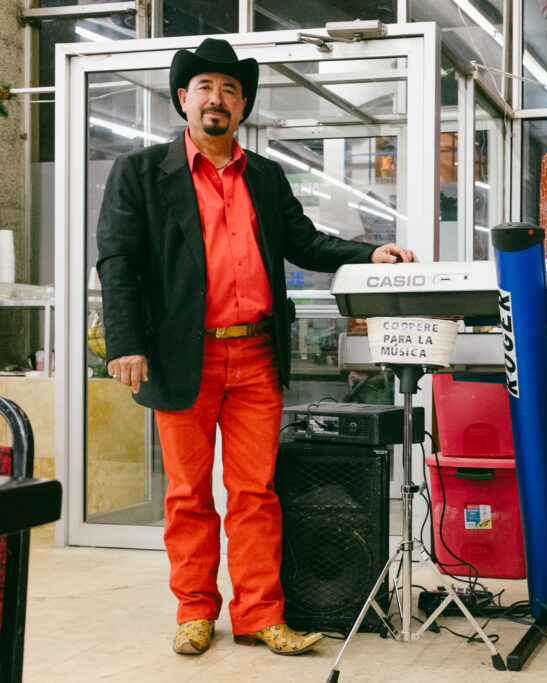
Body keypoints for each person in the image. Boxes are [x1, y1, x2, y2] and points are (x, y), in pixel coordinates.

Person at [96, 37, 416, 656]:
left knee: (255, 492)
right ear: (183, 99)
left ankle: (260, 615)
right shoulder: (141, 173)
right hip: (180, 354)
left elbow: (304, 240)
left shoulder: (264, 176)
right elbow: (118, 261)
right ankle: (194, 611)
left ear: (242, 106)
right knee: (188, 493)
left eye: (231, 90)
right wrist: (125, 342)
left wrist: (365, 251)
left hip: (255, 357)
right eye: (206, 88)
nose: (218, 100)